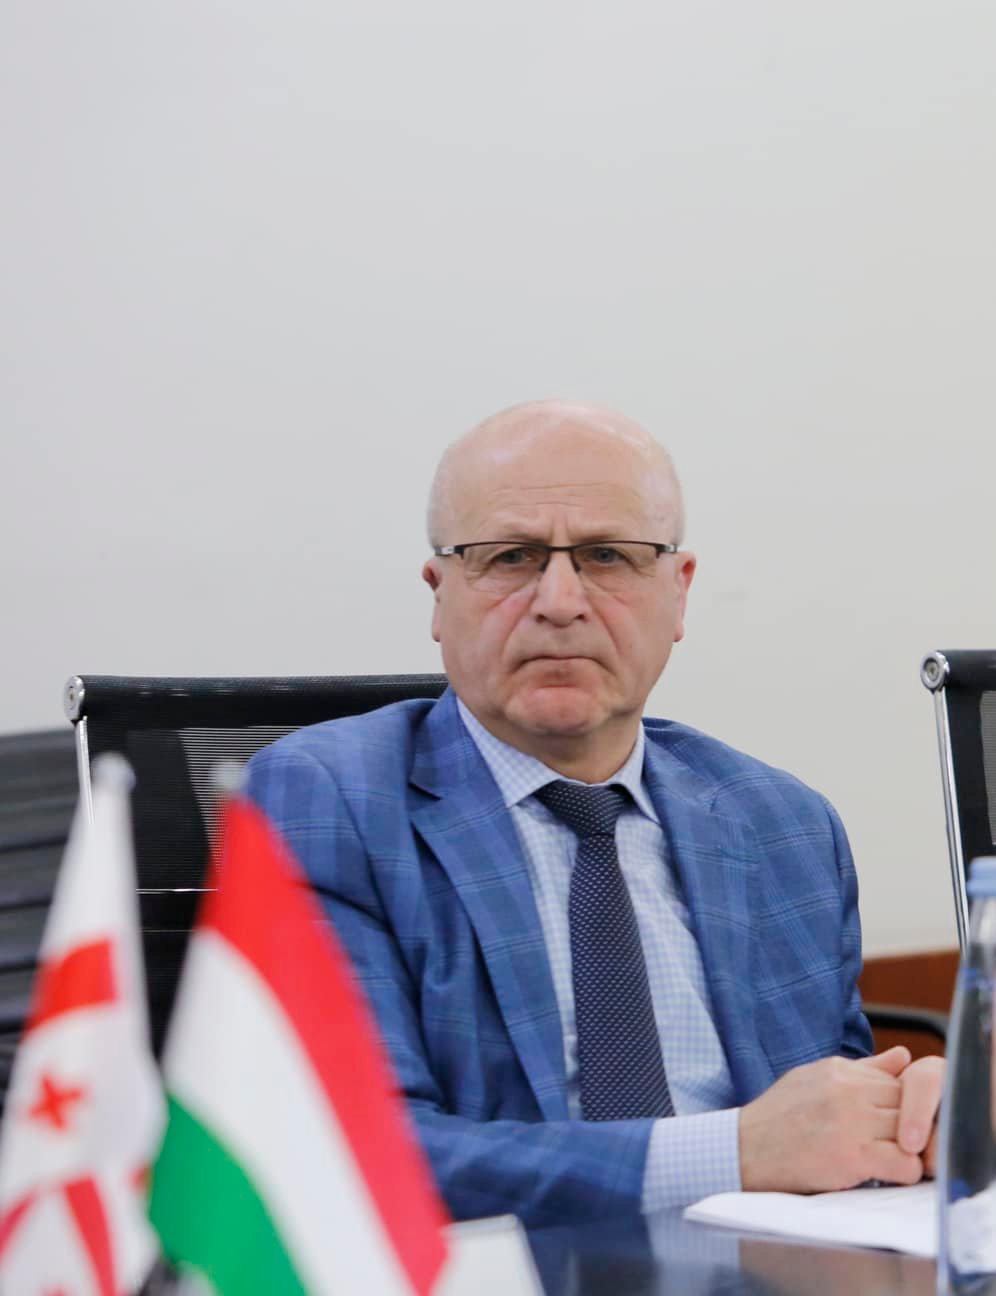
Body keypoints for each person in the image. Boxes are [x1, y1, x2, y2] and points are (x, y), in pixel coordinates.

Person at [246, 400, 942, 1228]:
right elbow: (360, 1151)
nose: (560, 601)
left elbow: (833, 1124)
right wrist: (733, 1153)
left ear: (678, 594)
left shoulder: (781, 824)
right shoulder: (331, 801)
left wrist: (913, 1124)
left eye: (609, 555)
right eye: (510, 557)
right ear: (439, 595)